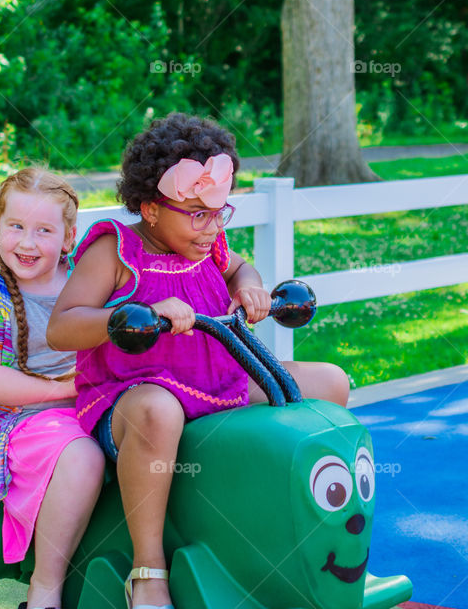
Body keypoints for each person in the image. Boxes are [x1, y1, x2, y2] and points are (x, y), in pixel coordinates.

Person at [46, 113, 350, 609]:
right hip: (130, 396)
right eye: (196, 214)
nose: (211, 227)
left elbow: (240, 266)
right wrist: (134, 313)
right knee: (158, 409)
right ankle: (148, 570)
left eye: (218, 212)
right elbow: (61, 327)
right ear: (150, 208)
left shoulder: (208, 244)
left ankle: (292, 529)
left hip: (214, 383)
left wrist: (249, 287)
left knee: (330, 383)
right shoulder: (115, 250)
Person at [0, 168, 105, 609]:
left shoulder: (87, 280)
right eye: (16, 226)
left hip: (97, 401)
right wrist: (69, 389)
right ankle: (45, 587)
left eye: (44, 230)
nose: (27, 242)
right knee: (84, 456)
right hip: (26, 421)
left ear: (69, 237)